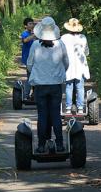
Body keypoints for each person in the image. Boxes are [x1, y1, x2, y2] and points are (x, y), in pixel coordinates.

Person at [27, 16, 69, 153]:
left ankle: (41, 145)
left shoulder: (34, 45)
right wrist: (57, 73)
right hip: (55, 85)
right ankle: (60, 144)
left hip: (40, 85)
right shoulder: (61, 44)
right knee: (56, 114)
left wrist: (38, 73)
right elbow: (66, 63)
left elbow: (29, 65)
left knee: (42, 115)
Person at [61, 18, 90, 114]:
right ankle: (80, 108)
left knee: (69, 87)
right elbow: (86, 52)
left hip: (68, 65)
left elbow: (61, 51)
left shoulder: (64, 38)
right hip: (80, 65)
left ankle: (68, 108)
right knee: (80, 87)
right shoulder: (83, 37)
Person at [20, 17, 36, 99]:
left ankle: (34, 94)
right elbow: (24, 40)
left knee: (35, 76)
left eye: (32, 23)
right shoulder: (25, 33)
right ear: (25, 26)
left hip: (35, 59)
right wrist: (33, 36)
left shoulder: (32, 34)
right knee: (30, 77)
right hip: (28, 59)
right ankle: (26, 95)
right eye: (30, 24)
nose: (32, 25)